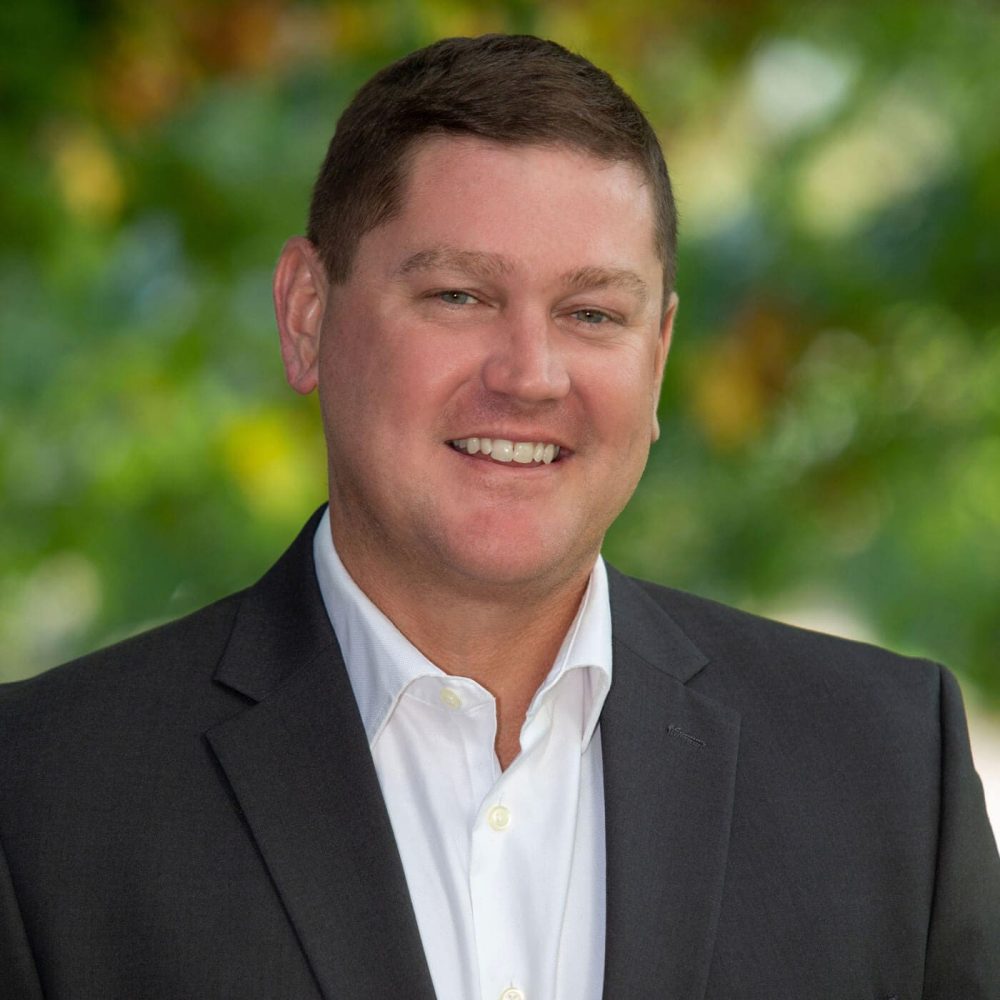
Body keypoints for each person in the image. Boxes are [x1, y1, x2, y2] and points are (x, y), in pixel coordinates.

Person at [0, 34, 997, 1000]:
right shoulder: (43, 799)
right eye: (461, 294)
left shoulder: (887, 771)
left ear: (657, 357)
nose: (528, 374)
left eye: (593, 313)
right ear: (306, 313)